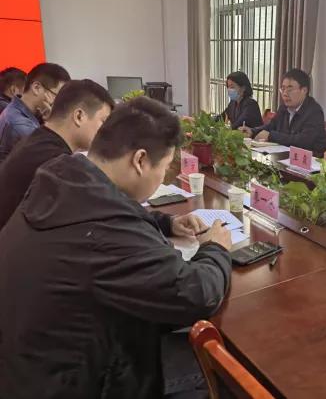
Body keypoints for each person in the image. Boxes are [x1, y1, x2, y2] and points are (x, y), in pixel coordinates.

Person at [0, 97, 232, 398]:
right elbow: (196, 293)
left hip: (26, 365)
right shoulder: (108, 234)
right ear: (140, 160)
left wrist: (166, 223)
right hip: (74, 383)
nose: (163, 177)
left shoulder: (61, 174)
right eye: (164, 167)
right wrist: (215, 248)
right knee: (222, 366)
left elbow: (101, 216)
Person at [0, 79, 114, 230]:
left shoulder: (37, 141)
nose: (105, 131)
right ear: (79, 116)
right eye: (103, 121)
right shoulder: (55, 162)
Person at [239, 68, 326, 154]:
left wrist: (271, 136)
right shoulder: (283, 108)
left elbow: (303, 141)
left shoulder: (314, 112)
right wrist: (252, 131)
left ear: (304, 90)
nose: (285, 93)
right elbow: (271, 126)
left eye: (290, 89)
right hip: (285, 156)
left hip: (311, 160)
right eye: (283, 89)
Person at [0, 62, 70, 162]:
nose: (59, 103)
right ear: (36, 88)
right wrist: (54, 123)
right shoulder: (20, 124)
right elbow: (56, 159)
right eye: (57, 96)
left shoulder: (18, 110)